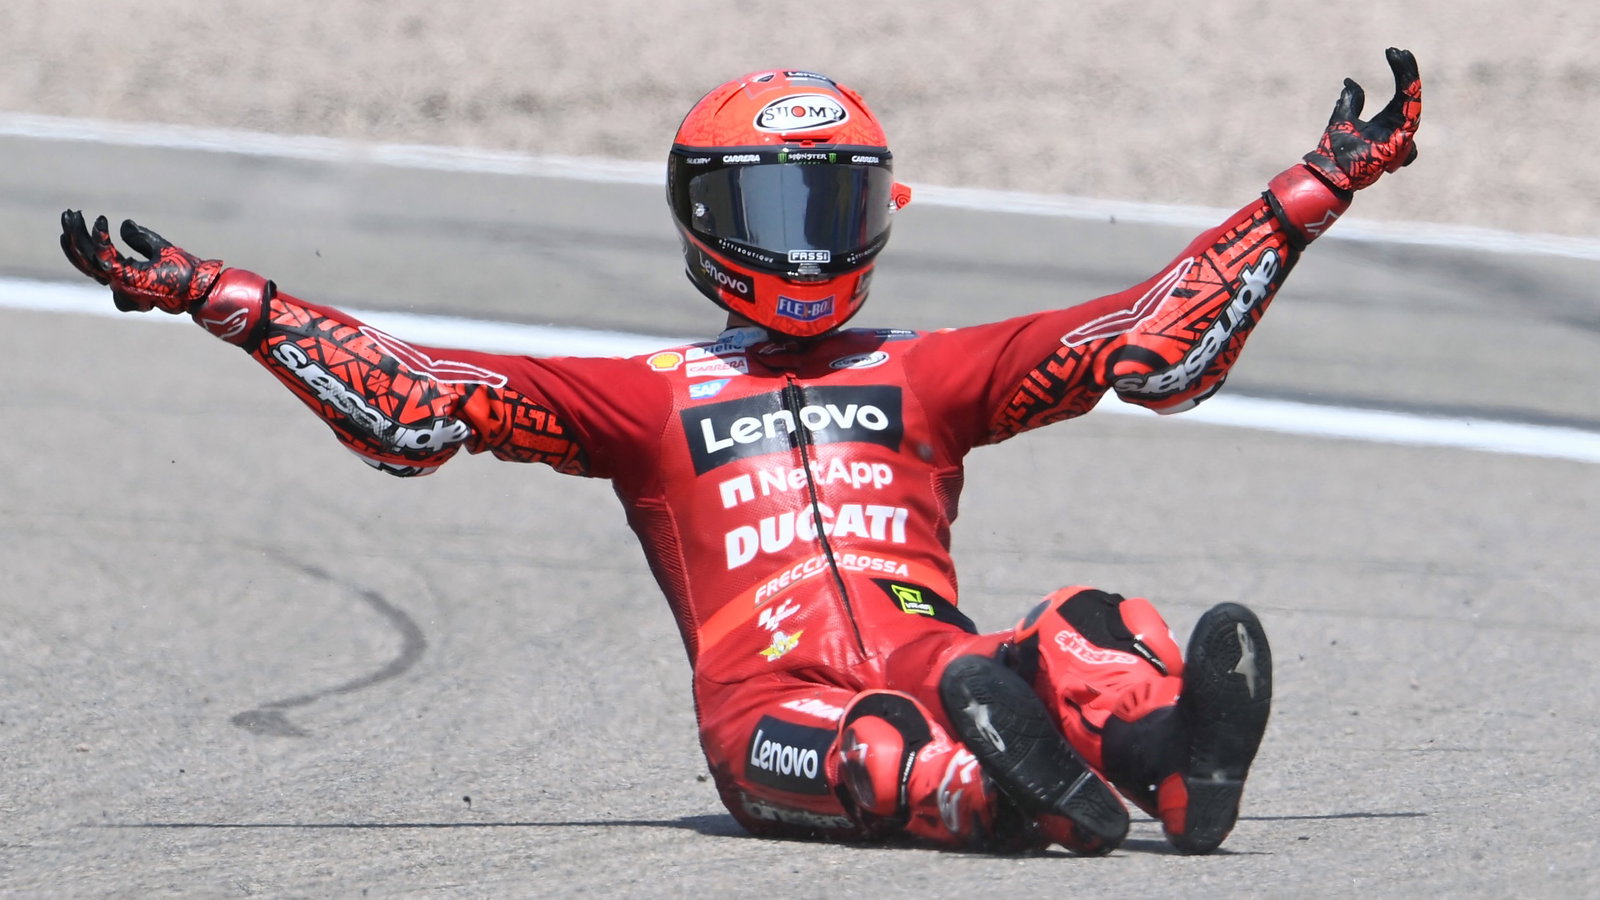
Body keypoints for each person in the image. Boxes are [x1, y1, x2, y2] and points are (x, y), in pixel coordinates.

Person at [58, 51, 1421, 855]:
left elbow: (1145, 342)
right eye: (776, 202)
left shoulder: (923, 369)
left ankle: (1167, 756)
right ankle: (1017, 800)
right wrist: (228, 299)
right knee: (885, 754)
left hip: (925, 646)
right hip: (773, 706)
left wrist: (1309, 191)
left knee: (1088, 628)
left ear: (883, 210)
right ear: (705, 217)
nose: (810, 233)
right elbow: (420, 402)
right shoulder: (646, 396)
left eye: (838, 199)